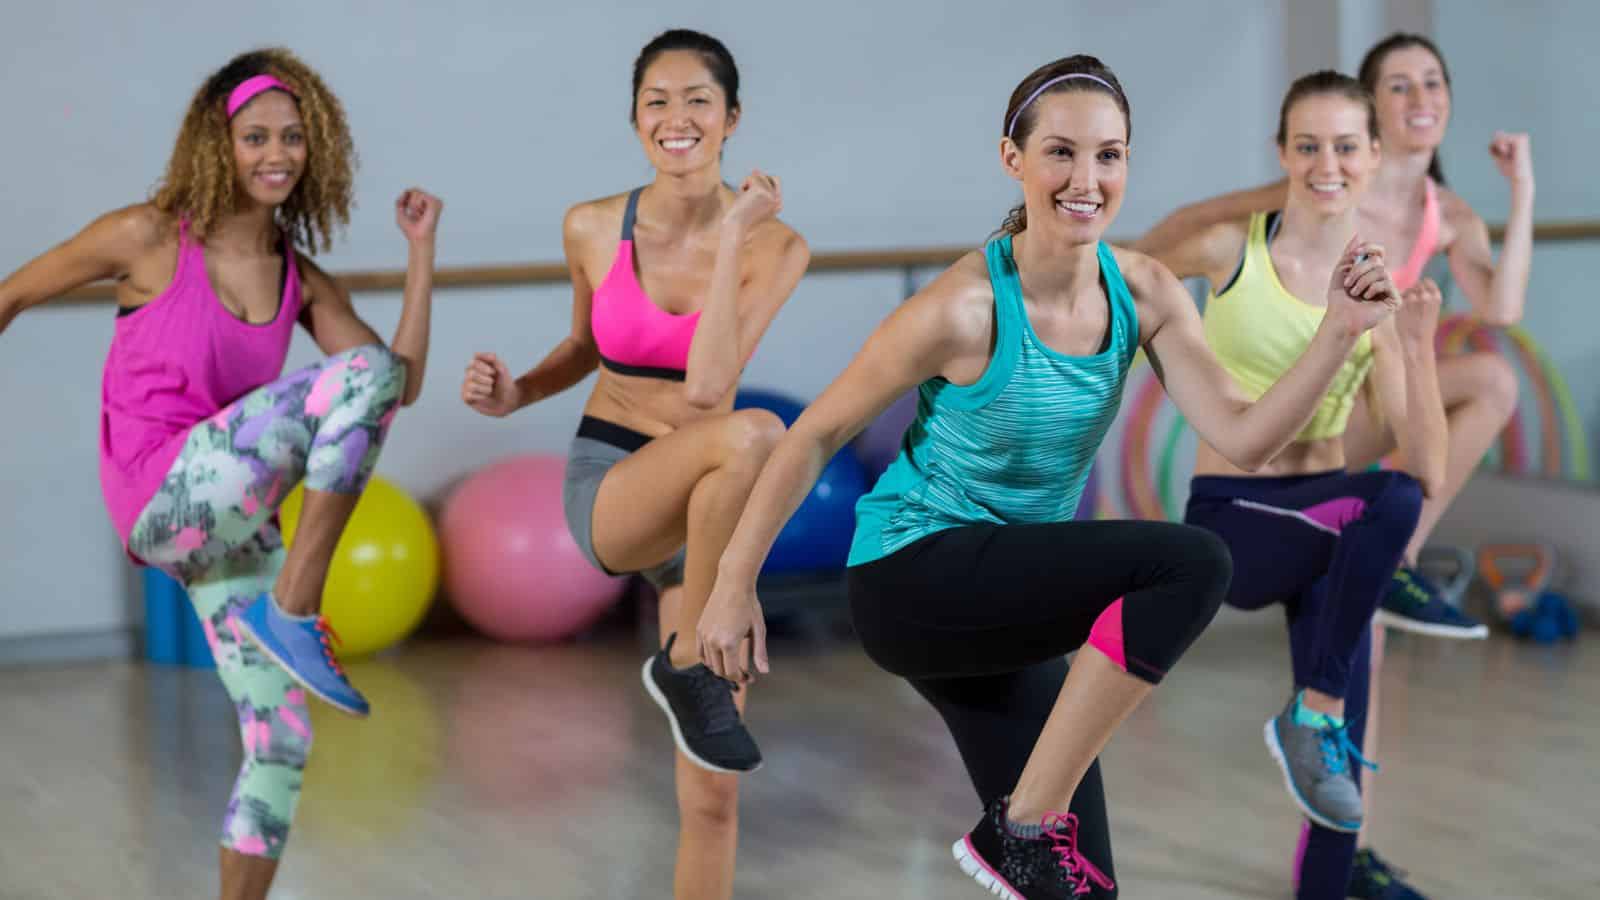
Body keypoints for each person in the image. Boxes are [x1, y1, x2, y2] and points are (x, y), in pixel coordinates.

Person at [695, 55, 1398, 899]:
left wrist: (1337, 332)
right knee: (1191, 562)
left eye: (1109, 155)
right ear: (1014, 159)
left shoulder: (1145, 292)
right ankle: (1022, 825)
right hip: (909, 576)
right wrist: (732, 585)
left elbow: (1246, 439)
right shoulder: (964, 308)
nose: (1086, 179)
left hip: (1001, 603)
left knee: (1085, 886)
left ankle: (1027, 831)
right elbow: (814, 436)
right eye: (1061, 152)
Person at [0, 48, 442, 899]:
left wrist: (421, 253)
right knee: (360, 377)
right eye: (255, 137)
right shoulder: (149, 235)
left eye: (293, 137)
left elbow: (399, 384)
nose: (277, 153)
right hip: (158, 491)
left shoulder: (299, 277)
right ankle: (296, 609)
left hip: (229, 523)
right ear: (218, 144)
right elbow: (10, 294)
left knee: (281, 741)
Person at [459, 29, 808, 900]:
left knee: (714, 794)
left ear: (732, 118)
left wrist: (734, 234)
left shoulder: (778, 246)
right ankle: (690, 660)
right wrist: (518, 393)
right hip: (615, 480)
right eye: (657, 101)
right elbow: (589, 345)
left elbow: (709, 381)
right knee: (757, 434)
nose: (675, 117)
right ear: (635, 118)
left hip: (711, 517)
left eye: (698, 101)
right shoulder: (590, 226)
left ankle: (691, 659)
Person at [1141, 70, 1448, 900]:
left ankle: (1321, 796)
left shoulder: (1374, 286)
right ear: (1280, 152)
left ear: (1375, 154)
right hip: (1236, 519)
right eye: (1307, 146)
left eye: (1346, 147)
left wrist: (1416, 346)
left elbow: (1427, 467)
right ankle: (1312, 715)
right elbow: (1133, 264)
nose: (1328, 164)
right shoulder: (1228, 247)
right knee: (1385, 508)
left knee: (1338, 745)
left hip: (1333, 524)